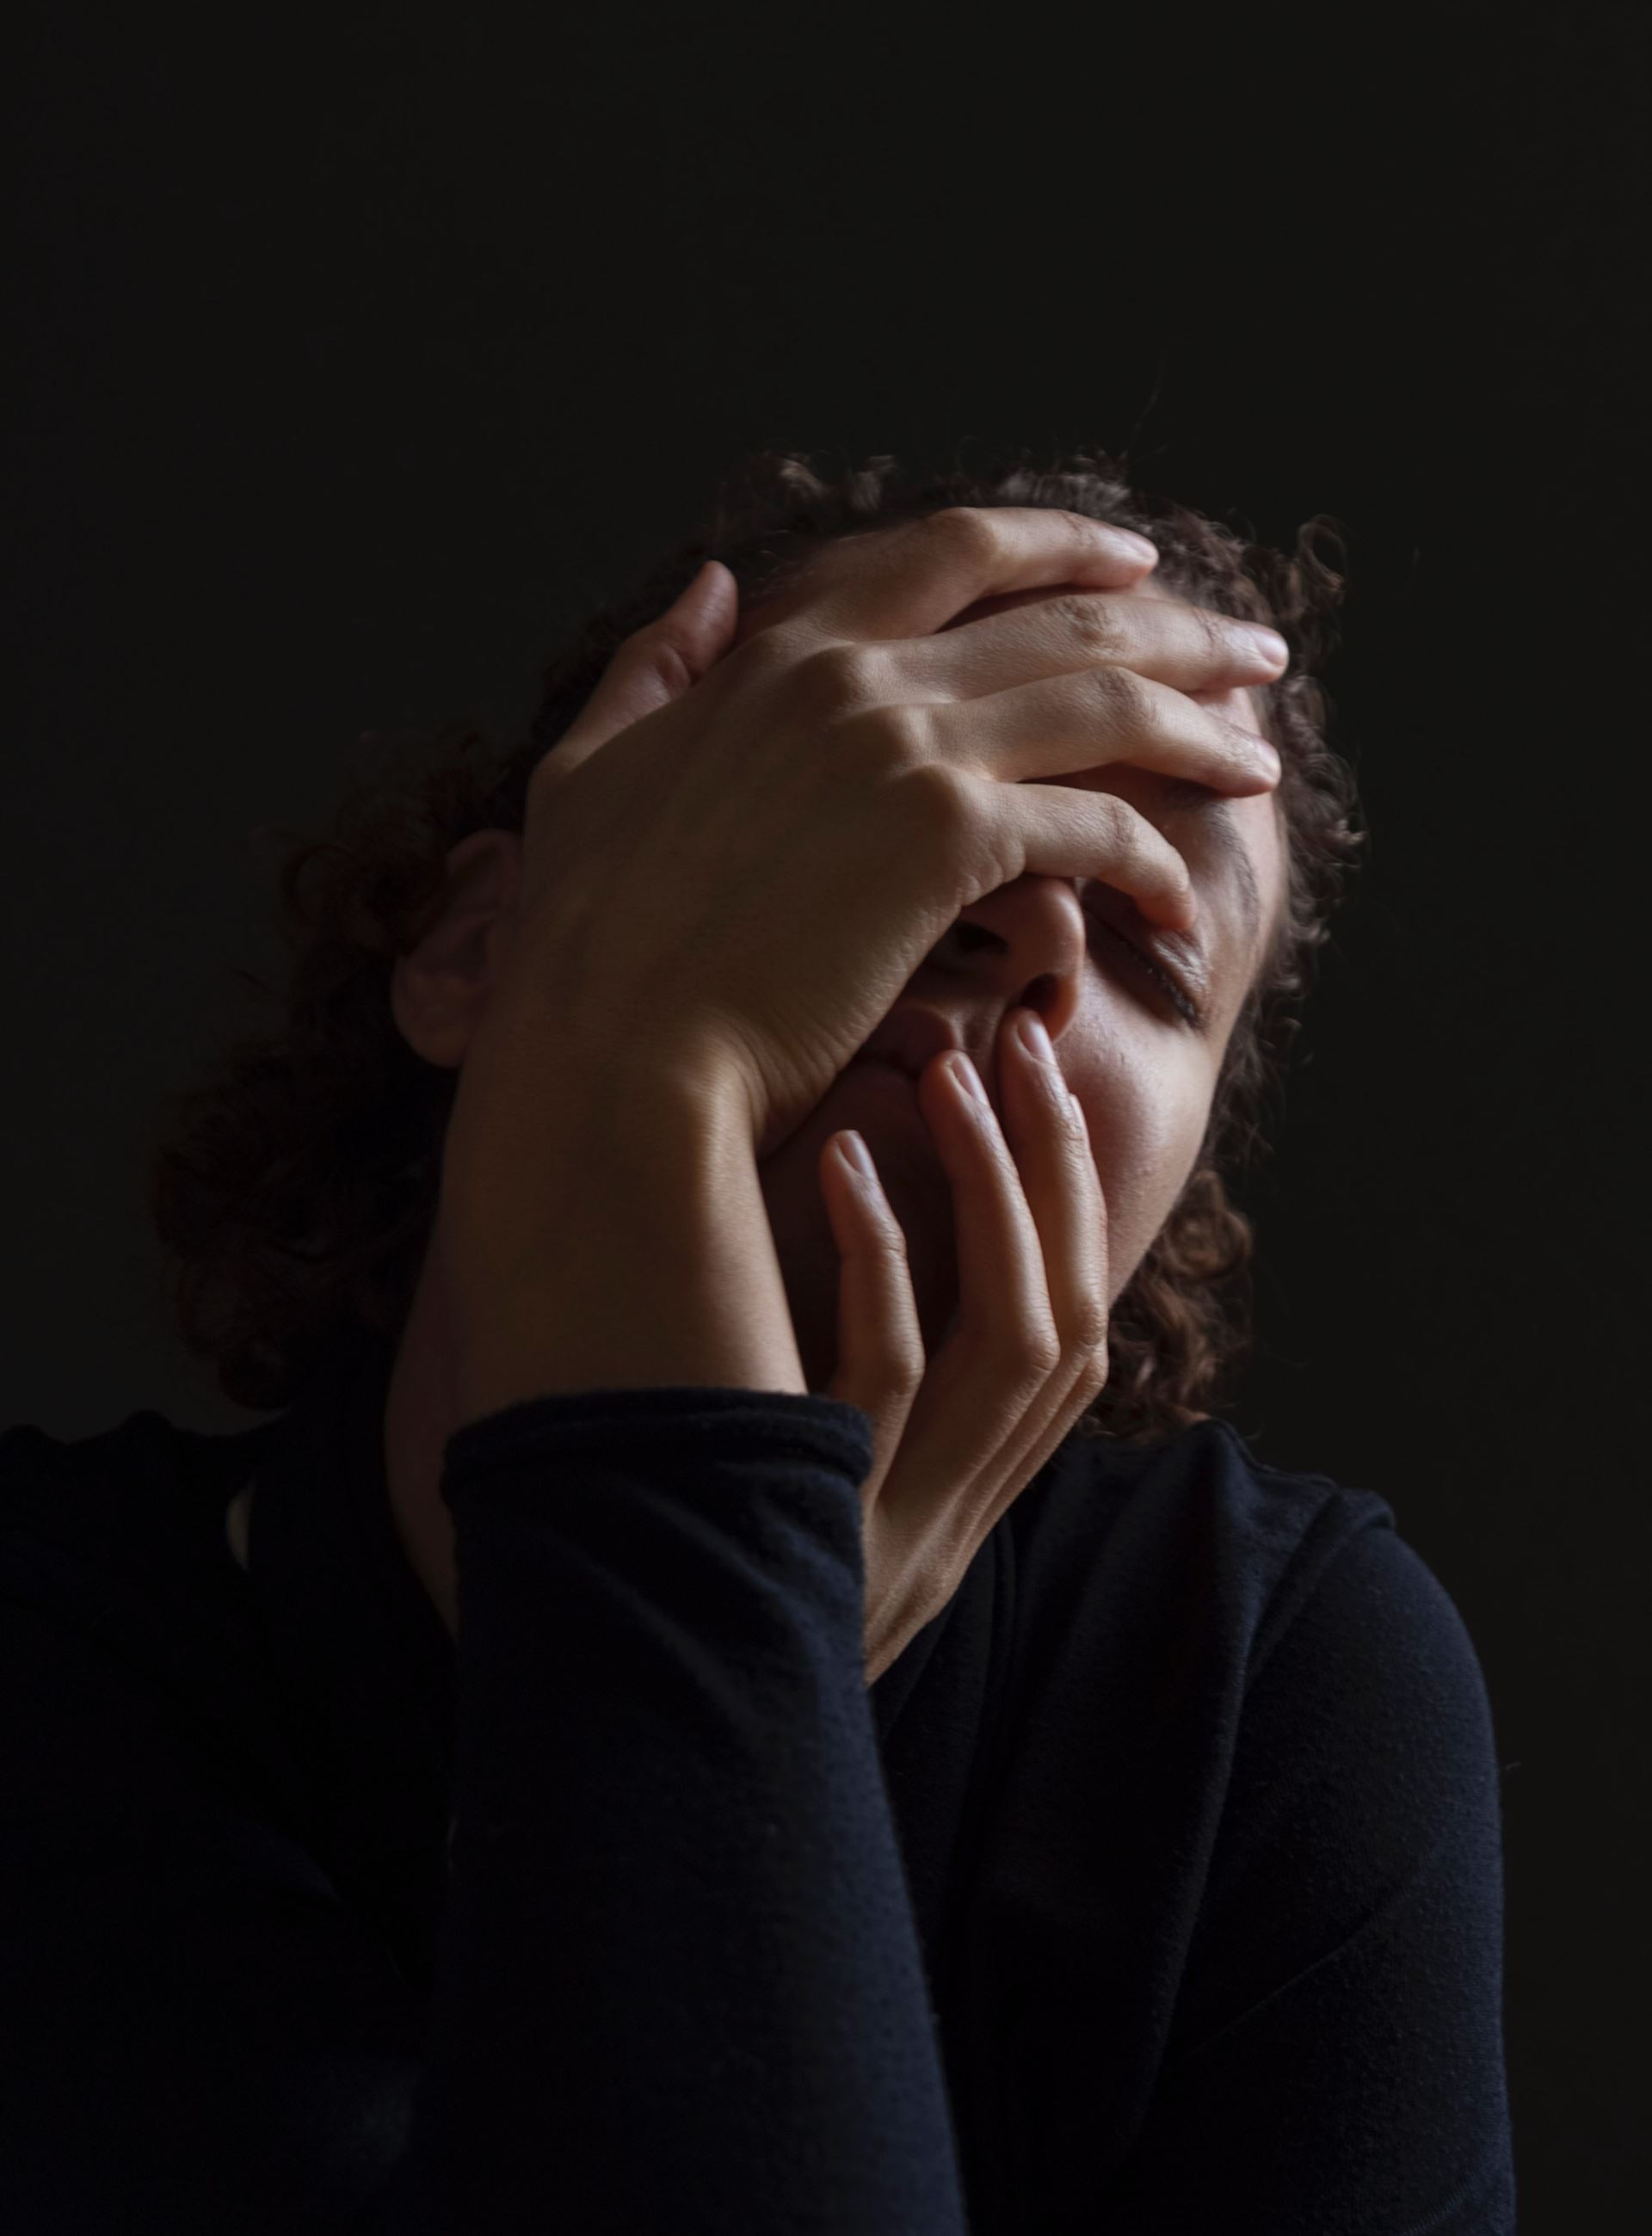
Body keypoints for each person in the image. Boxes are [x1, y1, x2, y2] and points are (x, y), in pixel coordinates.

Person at [0, 449, 1516, 2233]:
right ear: (479, 952)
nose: (1019, 886)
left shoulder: (1277, 1697)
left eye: (1148, 945)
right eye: (884, 774)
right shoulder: (50, 1652)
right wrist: (742, 1603)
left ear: (1158, 1219)